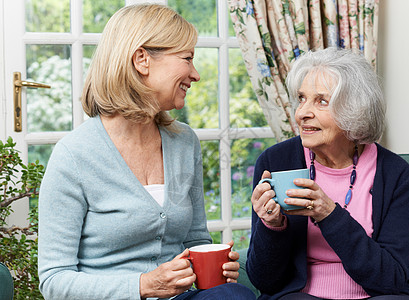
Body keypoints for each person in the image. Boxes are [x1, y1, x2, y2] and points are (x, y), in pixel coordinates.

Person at [37, 4, 255, 300]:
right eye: (187, 59)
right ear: (142, 59)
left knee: (235, 295)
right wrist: (142, 285)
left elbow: (196, 240)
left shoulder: (184, 142)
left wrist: (215, 267)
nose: (196, 74)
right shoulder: (74, 156)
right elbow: (54, 281)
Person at [247, 48, 409, 300]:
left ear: (355, 111)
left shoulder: (394, 173)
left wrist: (329, 214)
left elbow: (391, 280)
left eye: (321, 101)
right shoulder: (275, 162)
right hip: (302, 296)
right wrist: (272, 226)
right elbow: (265, 280)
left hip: (376, 295)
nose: (302, 113)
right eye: (301, 99)